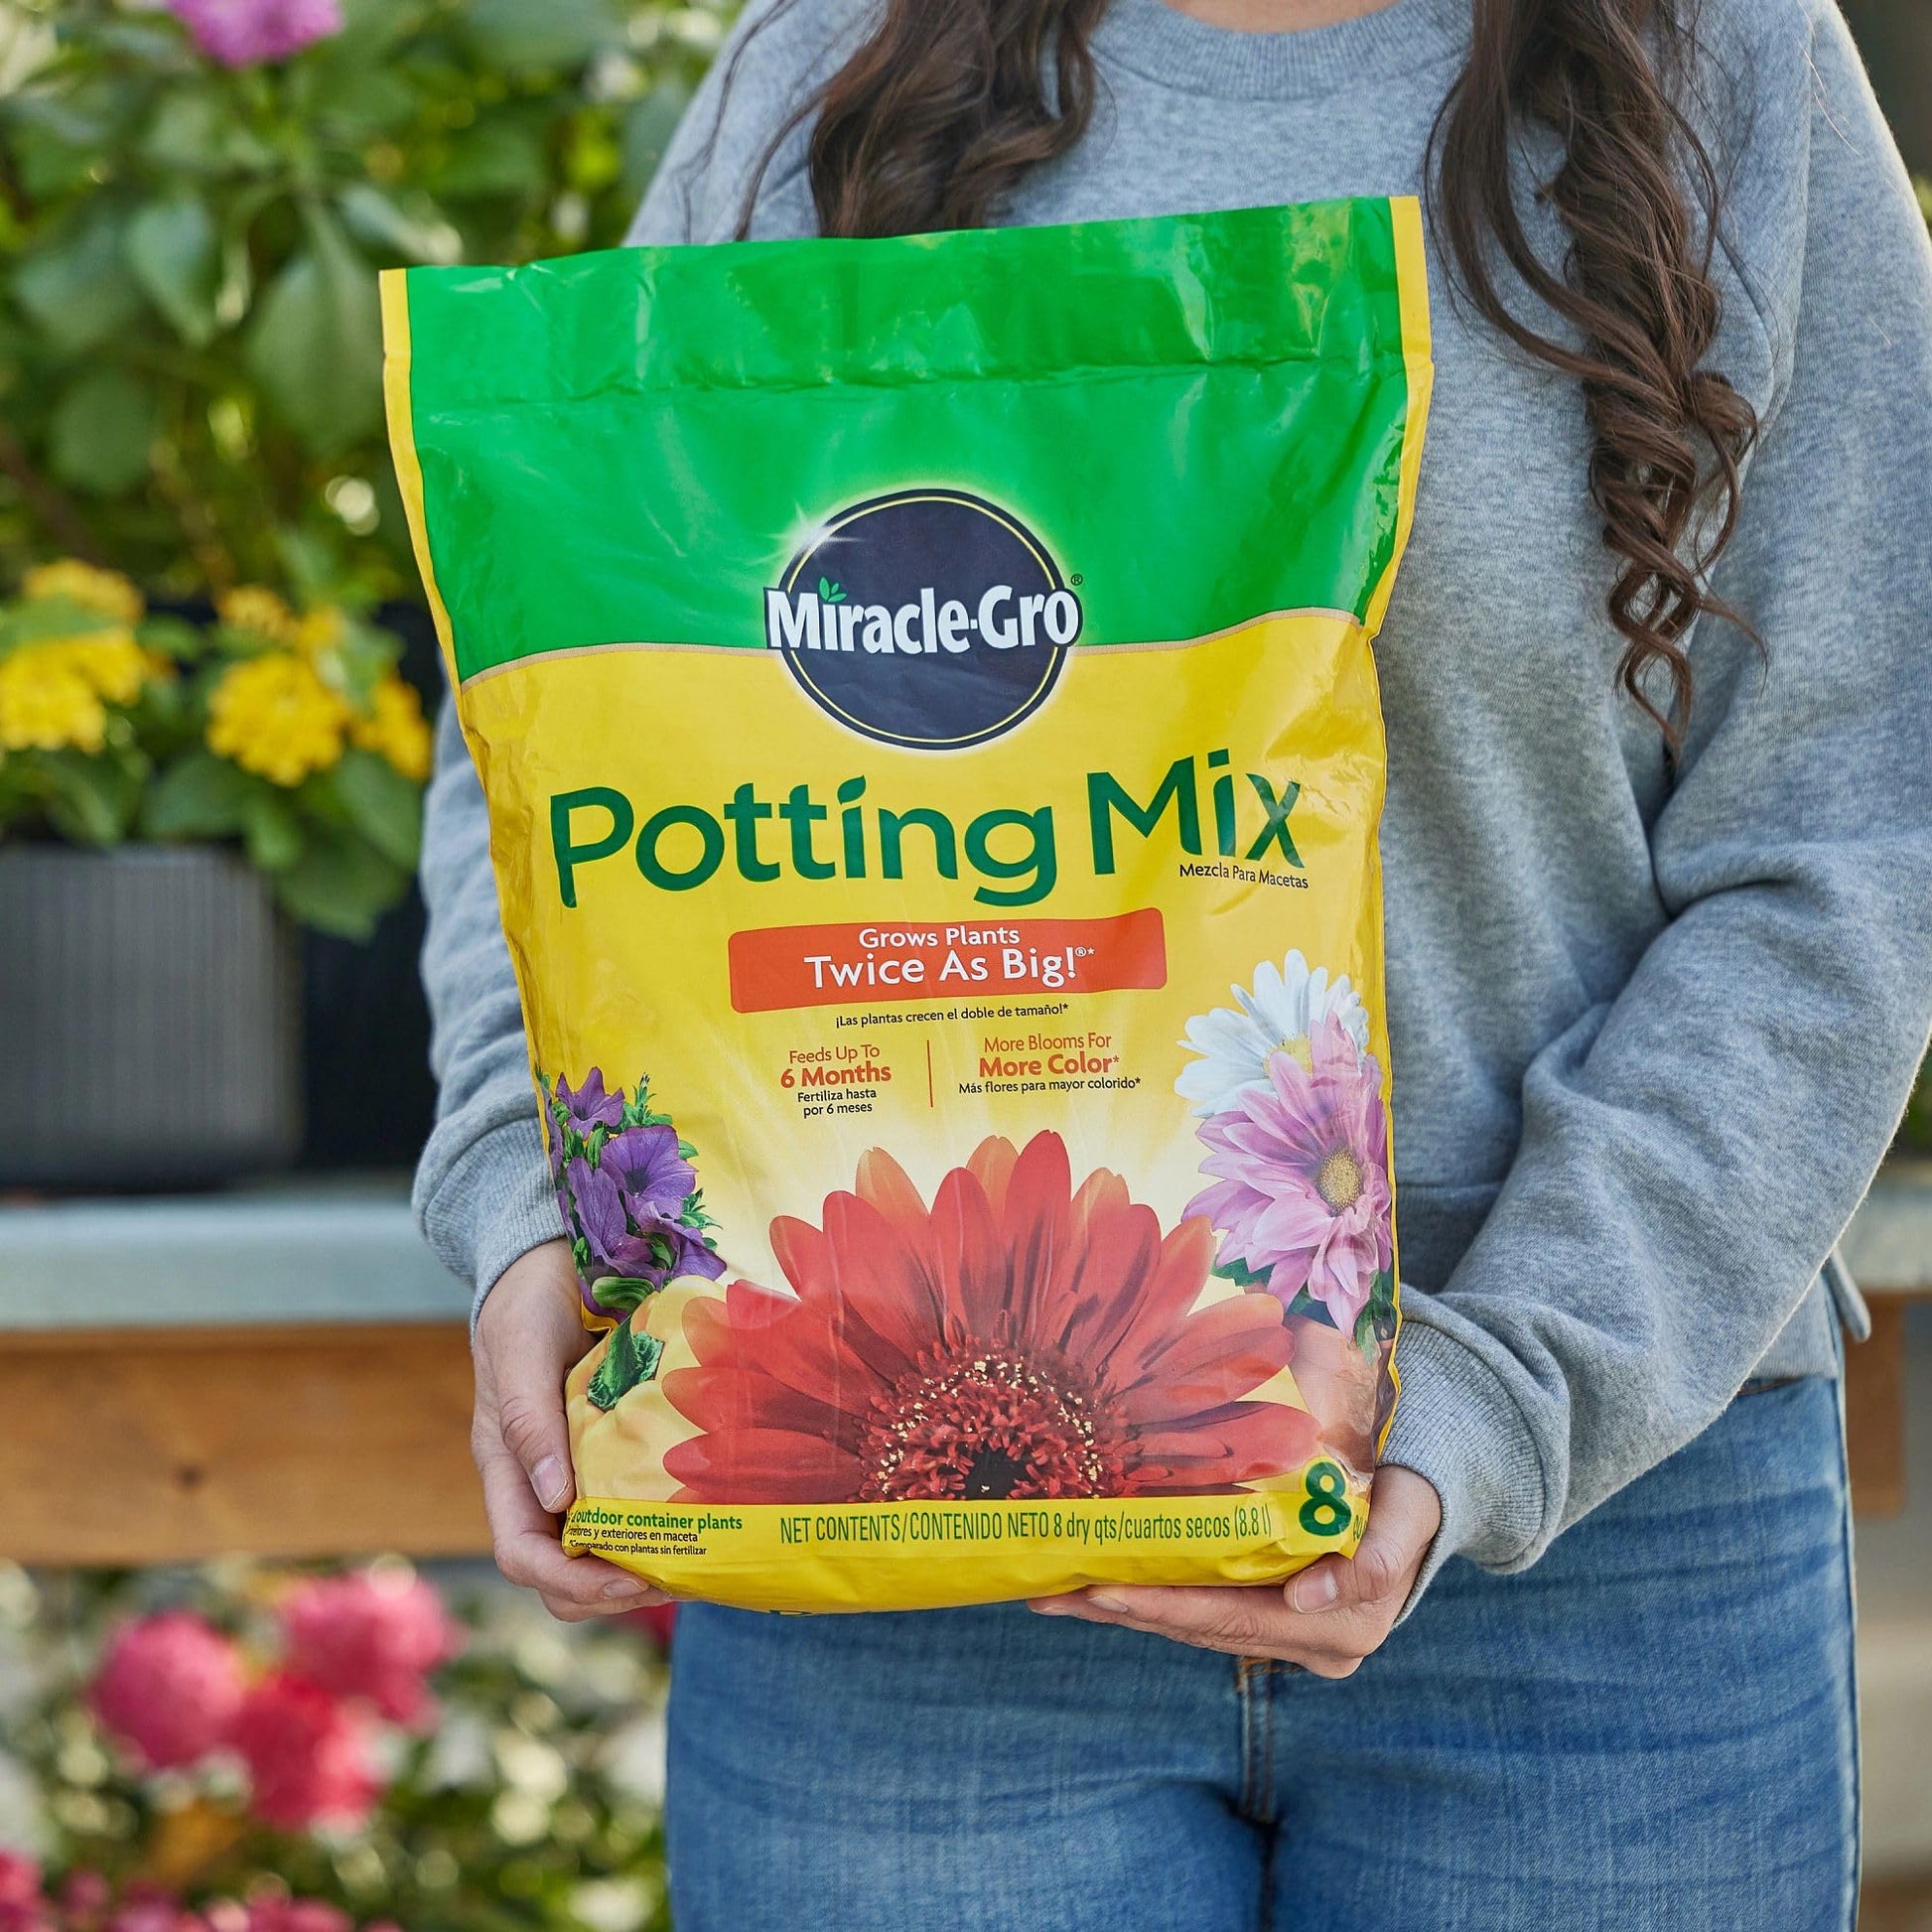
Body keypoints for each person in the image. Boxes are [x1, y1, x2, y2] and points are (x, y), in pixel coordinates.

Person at [413, 0, 1932, 1923]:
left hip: (1596, 1574)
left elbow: (1849, 837)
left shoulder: (1723, 67)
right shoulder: (836, 65)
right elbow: (550, 715)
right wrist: (530, 1195)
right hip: (887, 1560)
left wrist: (1493, 1394)